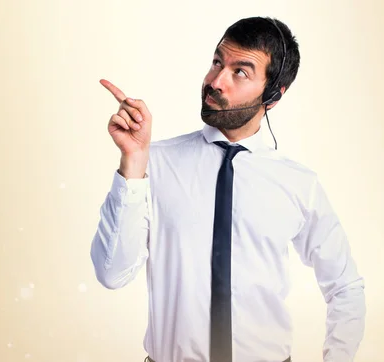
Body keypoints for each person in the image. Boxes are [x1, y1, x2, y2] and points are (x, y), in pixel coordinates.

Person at [91, 16, 366, 362]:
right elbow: (112, 273)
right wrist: (132, 164)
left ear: (273, 94)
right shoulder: (153, 162)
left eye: (240, 72)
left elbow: (345, 287)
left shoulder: (298, 184)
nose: (216, 81)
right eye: (217, 62)